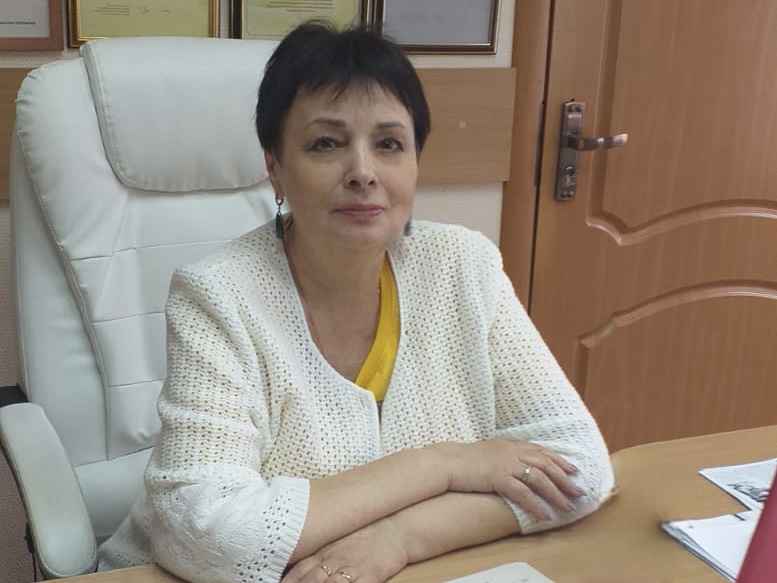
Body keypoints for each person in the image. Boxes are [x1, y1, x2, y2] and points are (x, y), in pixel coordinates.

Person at [98, 21, 615, 583]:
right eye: (327, 143)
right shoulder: (217, 296)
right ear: (275, 167)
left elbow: (579, 467)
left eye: (389, 144)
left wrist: (399, 538)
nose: (364, 173)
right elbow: (209, 536)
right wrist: (446, 465)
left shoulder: (464, 266)